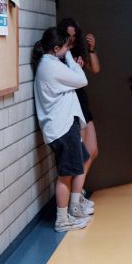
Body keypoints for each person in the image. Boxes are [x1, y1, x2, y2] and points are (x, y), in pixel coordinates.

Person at [31, 26, 91, 232]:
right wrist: (71, 61)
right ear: (56, 48)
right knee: (65, 174)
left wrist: (68, 61)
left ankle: (74, 207)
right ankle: (62, 220)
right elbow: (82, 80)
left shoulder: (50, 64)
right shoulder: (52, 66)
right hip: (62, 128)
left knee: (80, 161)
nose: (68, 50)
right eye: (66, 47)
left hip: (63, 126)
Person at [57, 18, 100, 214]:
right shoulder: (58, 54)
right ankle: (74, 200)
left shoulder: (77, 51)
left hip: (82, 102)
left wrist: (91, 49)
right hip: (70, 105)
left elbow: (95, 69)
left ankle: (77, 194)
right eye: (68, 36)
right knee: (80, 154)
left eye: (75, 36)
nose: (72, 39)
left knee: (92, 151)